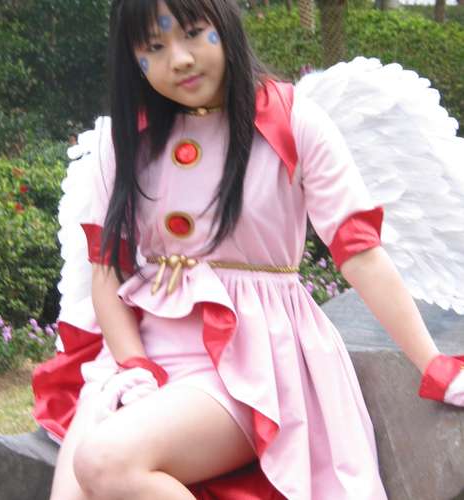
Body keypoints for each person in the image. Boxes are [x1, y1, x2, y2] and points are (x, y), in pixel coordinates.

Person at [31, 0, 462, 499]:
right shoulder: (126, 140)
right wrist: (134, 367)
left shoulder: (292, 120)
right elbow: (107, 272)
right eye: (154, 46)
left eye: (193, 33)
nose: (179, 59)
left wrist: (432, 364)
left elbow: (360, 254)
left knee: (104, 461)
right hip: (140, 354)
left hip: (253, 360)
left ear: (225, 22)